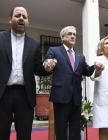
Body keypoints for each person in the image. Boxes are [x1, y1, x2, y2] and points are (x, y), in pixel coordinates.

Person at [0, 5, 54, 140]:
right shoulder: (0, 38)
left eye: (24, 17)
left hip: (25, 95)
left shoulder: (34, 44)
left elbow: (37, 68)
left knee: (24, 134)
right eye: (18, 16)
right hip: (2, 93)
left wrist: (47, 69)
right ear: (10, 19)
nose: (21, 19)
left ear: (28, 21)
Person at [44, 26, 103, 140]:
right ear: (63, 37)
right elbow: (47, 62)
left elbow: (86, 71)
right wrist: (48, 64)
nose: (72, 36)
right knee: (60, 129)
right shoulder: (54, 50)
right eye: (69, 34)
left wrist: (96, 67)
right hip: (61, 97)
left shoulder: (80, 57)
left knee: (75, 129)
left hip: (76, 98)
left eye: (74, 34)